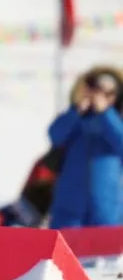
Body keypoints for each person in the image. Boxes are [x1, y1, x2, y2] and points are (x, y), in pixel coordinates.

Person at [46, 69, 123, 229]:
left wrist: (105, 113)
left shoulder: (116, 122)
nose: (101, 96)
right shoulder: (76, 119)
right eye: (98, 90)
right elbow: (55, 135)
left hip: (106, 214)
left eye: (108, 93)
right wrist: (76, 109)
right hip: (70, 212)